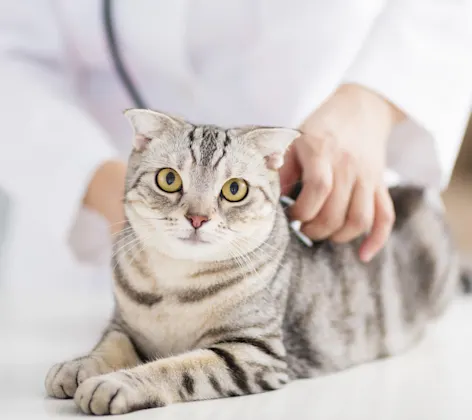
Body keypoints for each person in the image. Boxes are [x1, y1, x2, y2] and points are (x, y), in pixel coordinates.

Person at [0, 0, 471, 288]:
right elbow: (10, 55)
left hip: (322, 223)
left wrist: (373, 101)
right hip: (88, 255)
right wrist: (118, 193)